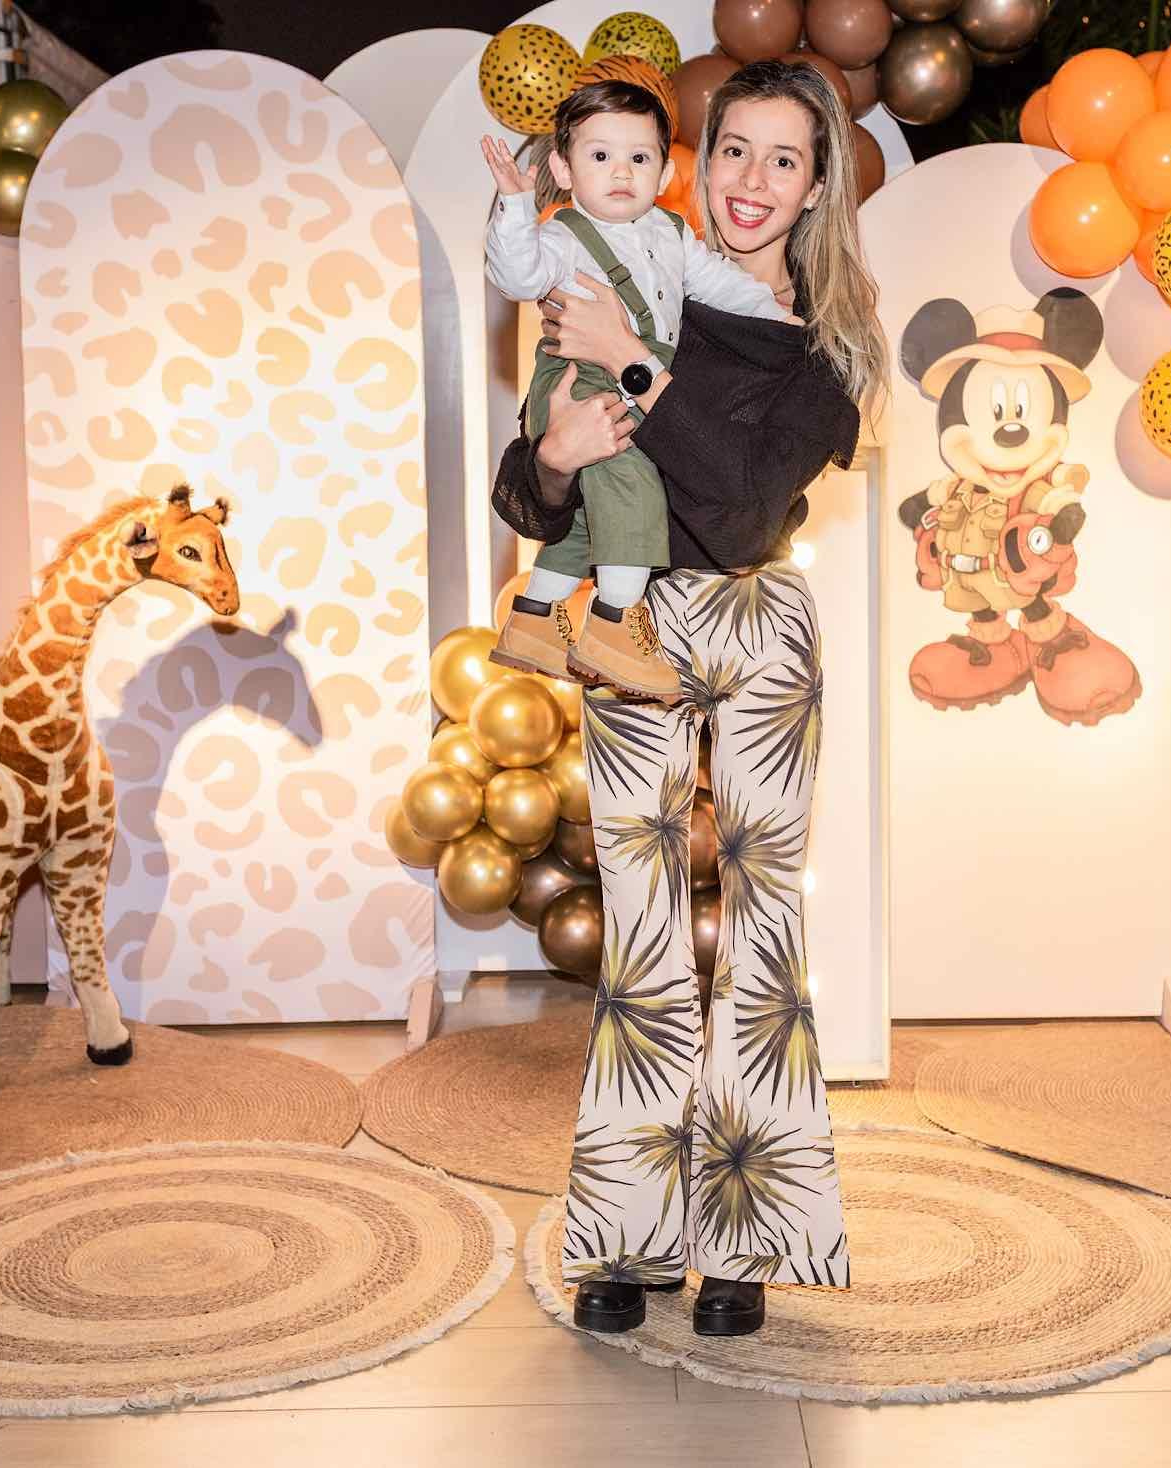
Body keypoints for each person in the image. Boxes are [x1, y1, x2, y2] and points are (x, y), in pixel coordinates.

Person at [491, 59, 886, 1339]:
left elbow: (744, 504)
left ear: (817, 185)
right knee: (642, 935)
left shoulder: (827, 347)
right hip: (631, 628)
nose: (751, 180)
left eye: (784, 158)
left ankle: (747, 1240)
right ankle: (626, 1235)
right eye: (733, 150)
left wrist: (633, 370)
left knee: (763, 935)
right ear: (695, 162)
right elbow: (530, 482)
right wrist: (556, 458)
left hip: (760, 621)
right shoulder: (625, 266)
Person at [482, 78, 791, 702]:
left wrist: (778, 320)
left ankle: (534, 616)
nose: (621, 171)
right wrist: (514, 205)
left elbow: (721, 285)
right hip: (581, 381)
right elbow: (516, 274)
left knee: (591, 516)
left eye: (639, 157)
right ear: (564, 170)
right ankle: (616, 621)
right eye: (600, 156)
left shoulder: (671, 234)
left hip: (628, 378)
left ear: (664, 172)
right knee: (633, 485)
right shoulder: (562, 236)